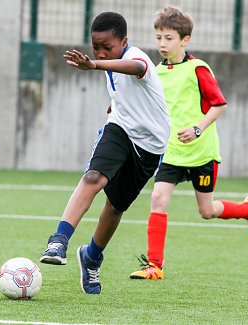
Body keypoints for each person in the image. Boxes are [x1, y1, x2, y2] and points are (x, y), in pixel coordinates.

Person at [129, 6, 248, 280]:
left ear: (184, 40)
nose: (162, 44)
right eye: (158, 37)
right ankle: (154, 266)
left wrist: (197, 128)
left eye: (168, 38)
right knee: (158, 199)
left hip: (201, 153)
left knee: (207, 211)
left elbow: (219, 105)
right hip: (170, 152)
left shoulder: (198, 69)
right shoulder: (155, 72)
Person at [39, 12, 170, 294]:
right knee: (93, 178)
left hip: (150, 145)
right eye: (95, 47)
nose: (98, 52)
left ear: (124, 41)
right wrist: (115, 105)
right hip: (120, 130)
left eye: (106, 47)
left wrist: (96, 63)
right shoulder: (106, 61)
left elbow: (134, 68)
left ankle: (92, 256)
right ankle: (58, 240)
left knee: (115, 206)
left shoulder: (138, 58)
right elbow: (122, 91)